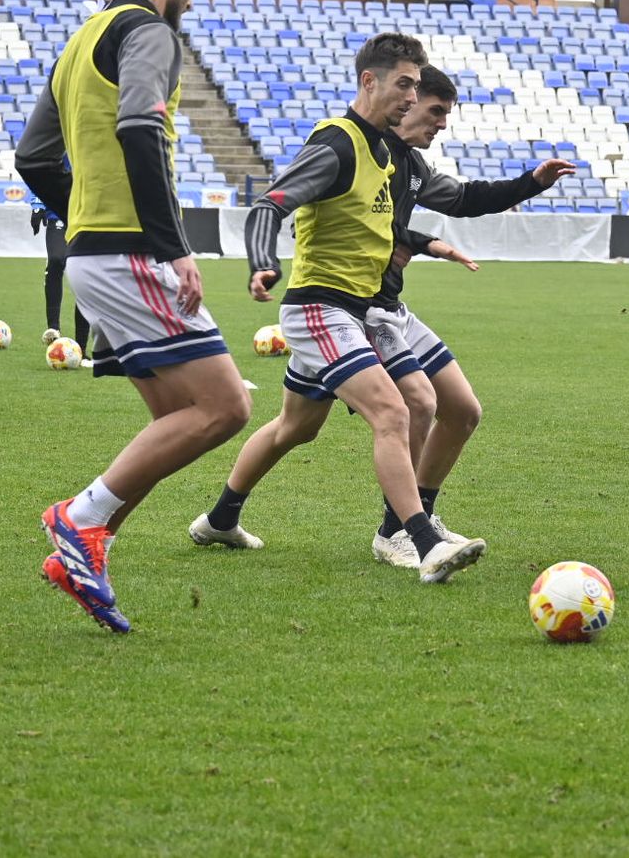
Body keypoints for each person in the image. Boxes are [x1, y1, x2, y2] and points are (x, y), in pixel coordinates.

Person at [14, 0, 251, 634]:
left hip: (93, 253)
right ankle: (78, 520)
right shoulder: (151, 32)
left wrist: (84, 216)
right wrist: (170, 245)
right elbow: (141, 129)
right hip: (130, 254)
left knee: (174, 418)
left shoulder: (80, 39)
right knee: (226, 407)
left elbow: (32, 158)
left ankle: (85, 551)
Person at [194, 34, 486, 584]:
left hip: (363, 312)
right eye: (405, 85)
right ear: (369, 81)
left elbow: (381, 225)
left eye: (417, 87)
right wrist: (262, 262)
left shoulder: (386, 152)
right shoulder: (338, 143)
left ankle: (219, 520)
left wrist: (423, 242)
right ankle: (416, 539)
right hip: (321, 310)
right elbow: (271, 204)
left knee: (295, 427)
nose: (412, 98)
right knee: (400, 410)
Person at [359, 64, 575, 566]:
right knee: (415, 405)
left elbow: (464, 199)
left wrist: (530, 183)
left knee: (462, 410)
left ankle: (223, 515)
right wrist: (417, 241)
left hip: (392, 308)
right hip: (355, 308)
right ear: (406, 102)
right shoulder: (365, 152)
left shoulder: (411, 165)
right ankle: (397, 531)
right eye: (435, 111)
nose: (442, 123)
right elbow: (350, 222)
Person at [31, 202, 92, 363]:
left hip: (88, 218)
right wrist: (37, 206)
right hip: (57, 215)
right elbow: (41, 177)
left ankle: (82, 349)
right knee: (56, 260)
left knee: (84, 274)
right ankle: (53, 328)